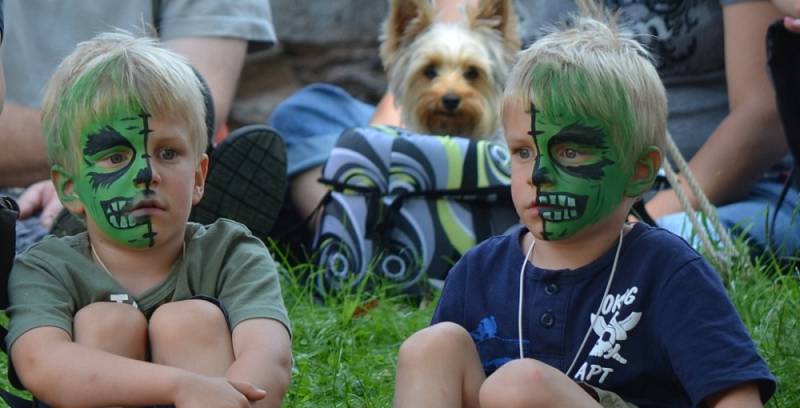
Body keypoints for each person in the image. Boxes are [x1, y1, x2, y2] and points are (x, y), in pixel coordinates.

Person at [383, 10, 774, 408]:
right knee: (431, 346)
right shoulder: (480, 269)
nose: (539, 176)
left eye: (569, 153)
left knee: (516, 387)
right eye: (523, 151)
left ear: (641, 173)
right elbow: (439, 395)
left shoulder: (664, 266)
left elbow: (739, 401)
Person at [4, 32, 300, 408]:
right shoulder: (47, 265)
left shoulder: (231, 250)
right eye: (116, 157)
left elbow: (269, 362)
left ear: (201, 174)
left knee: (191, 320)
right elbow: (41, 363)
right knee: (103, 321)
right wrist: (183, 386)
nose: (145, 173)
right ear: (70, 188)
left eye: (167, 153)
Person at [270, 0, 797, 259]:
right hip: (516, 166)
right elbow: (430, 52)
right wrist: (382, 165)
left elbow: (762, 115)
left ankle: (379, 238)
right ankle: (371, 222)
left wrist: (643, 216)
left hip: (685, 184)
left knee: (669, 248)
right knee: (310, 111)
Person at [2, 1, 280, 250]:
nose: (144, 173)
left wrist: (104, 162)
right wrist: (86, 169)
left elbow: (195, 107)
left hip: (115, 176)